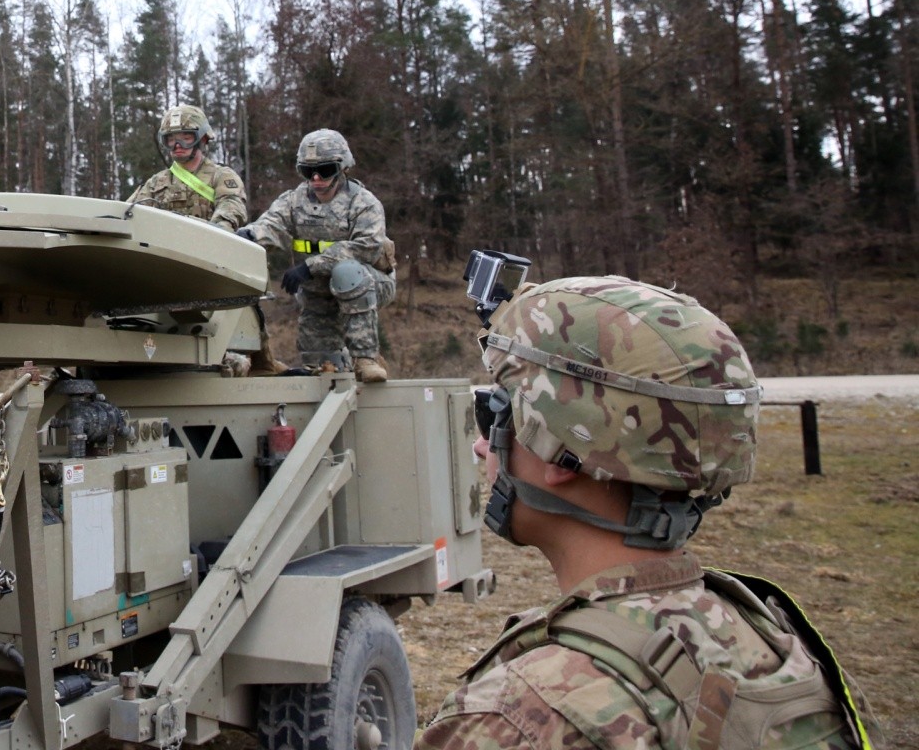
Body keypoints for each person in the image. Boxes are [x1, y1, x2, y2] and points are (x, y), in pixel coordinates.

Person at [418, 275, 878, 750]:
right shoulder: (780, 641)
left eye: (494, 415)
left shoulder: (520, 718)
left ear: (558, 448)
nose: (480, 445)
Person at [237, 129, 396, 382]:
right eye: (308, 171)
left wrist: (310, 266)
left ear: (342, 168)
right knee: (320, 366)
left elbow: (366, 247)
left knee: (346, 272)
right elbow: (272, 224)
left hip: (368, 283)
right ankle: (334, 365)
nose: (317, 178)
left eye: (325, 169)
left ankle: (366, 358)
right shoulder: (294, 201)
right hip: (317, 289)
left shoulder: (364, 203)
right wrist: (249, 236)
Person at [127, 104, 248, 231]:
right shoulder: (156, 183)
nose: (178, 145)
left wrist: (219, 228)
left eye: (186, 138)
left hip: (205, 246)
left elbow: (231, 209)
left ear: (203, 139)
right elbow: (130, 214)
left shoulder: (221, 177)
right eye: (171, 140)